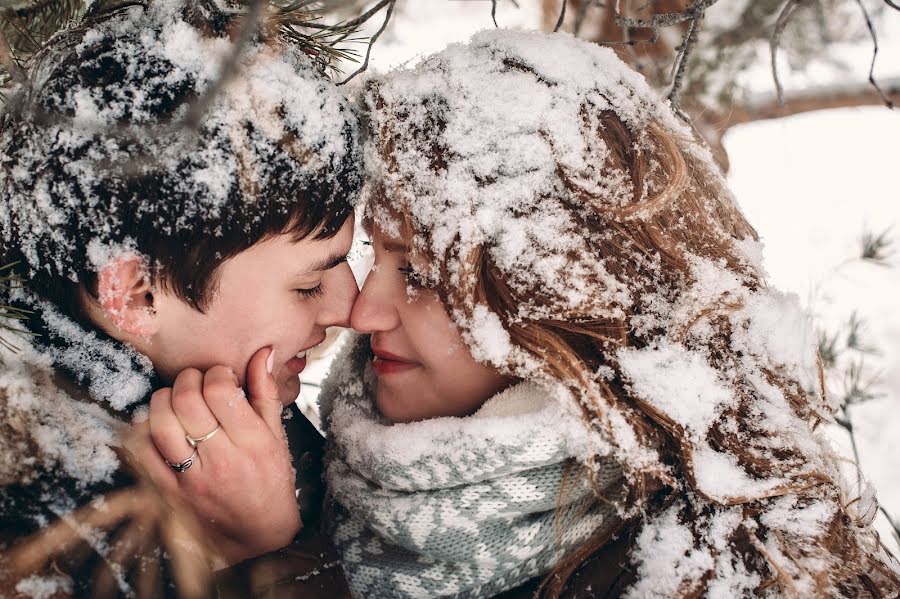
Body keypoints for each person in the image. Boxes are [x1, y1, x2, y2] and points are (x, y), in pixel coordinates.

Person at [315, 30, 900, 598]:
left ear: (556, 296)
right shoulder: (294, 466)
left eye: (417, 273)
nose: (363, 313)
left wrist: (271, 563)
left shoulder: (708, 567)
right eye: (376, 256)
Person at [0, 0, 359, 595]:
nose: (348, 307)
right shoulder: (41, 531)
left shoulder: (212, 381)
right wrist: (246, 555)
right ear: (136, 296)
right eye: (307, 284)